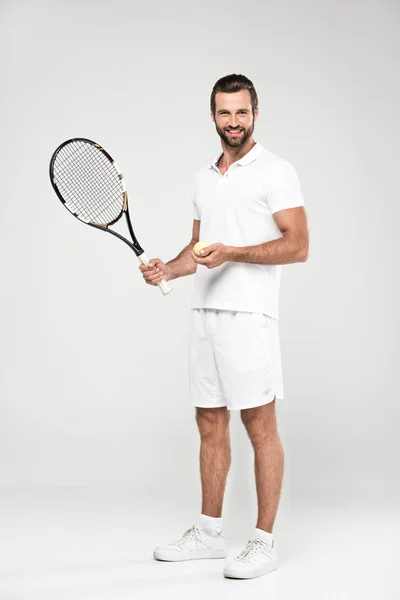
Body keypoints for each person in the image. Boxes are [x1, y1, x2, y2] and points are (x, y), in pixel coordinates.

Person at [139, 73, 309, 580]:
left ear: (255, 113)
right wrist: (167, 269)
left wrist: (233, 252)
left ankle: (263, 542)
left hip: (250, 316)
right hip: (206, 316)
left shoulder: (276, 171)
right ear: (212, 115)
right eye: (224, 112)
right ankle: (209, 534)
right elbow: (199, 251)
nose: (233, 121)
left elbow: (298, 245)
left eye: (241, 112)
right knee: (209, 422)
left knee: (259, 427)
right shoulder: (203, 178)